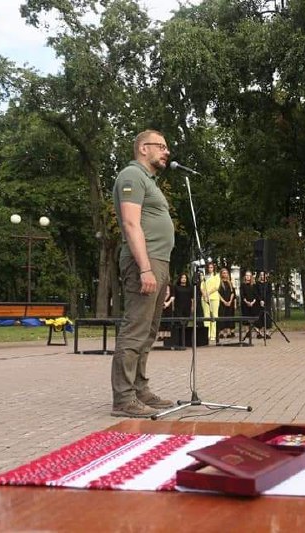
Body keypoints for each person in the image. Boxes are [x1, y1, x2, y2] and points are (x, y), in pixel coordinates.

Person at [110, 129, 175, 417]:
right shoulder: (132, 176)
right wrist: (145, 267)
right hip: (143, 263)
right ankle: (123, 398)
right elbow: (131, 223)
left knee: (148, 332)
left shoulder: (149, 181)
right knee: (135, 329)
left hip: (158, 263)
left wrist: (164, 275)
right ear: (142, 148)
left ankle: (139, 389)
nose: (166, 151)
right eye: (161, 146)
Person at [200, 262, 221, 342]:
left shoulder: (216, 276)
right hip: (205, 298)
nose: (210, 269)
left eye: (211, 267)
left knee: (214, 316)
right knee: (206, 316)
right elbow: (201, 286)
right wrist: (204, 294)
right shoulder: (204, 276)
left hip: (214, 298)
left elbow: (216, 287)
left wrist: (208, 293)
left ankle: (213, 335)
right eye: (209, 267)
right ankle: (207, 334)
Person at [218, 267, 237, 341]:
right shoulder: (219, 283)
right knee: (222, 316)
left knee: (230, 316)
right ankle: (221, 332)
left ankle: (229, 332)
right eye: (223, 273)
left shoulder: (230, 283)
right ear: (221, 274)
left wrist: (230, 301)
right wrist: (224, 301)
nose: (225, 274)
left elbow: (233, 293)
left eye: (226, 273)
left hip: (230, 303)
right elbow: (218, 293)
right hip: (222, 303)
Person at [239, 270, 259, 339]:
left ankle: (257, 332)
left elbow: (256, 295)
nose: (248, 277)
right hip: (245, 304)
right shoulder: (242, 285)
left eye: (249, 275)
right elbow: (242, 295)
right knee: (246, 319)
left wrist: (253, 302)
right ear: (245, 277)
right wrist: (246, 302)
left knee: (253, 319)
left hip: (253, 304)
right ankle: (247, 333)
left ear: (251, 277)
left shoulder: (254, 285)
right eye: (246, 275)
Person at [255, 271, 273, 338]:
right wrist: (260, 300)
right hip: (259, 303)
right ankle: (259, 333)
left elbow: (270, 293)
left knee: (267, 317)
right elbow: (256, 293)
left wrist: (265, 301)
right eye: (261, 275)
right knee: (259, 318)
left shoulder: (269, 284)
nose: (262, 276)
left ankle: (267, 333)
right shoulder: (257, 284)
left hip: (267, 303)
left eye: (264, 275)